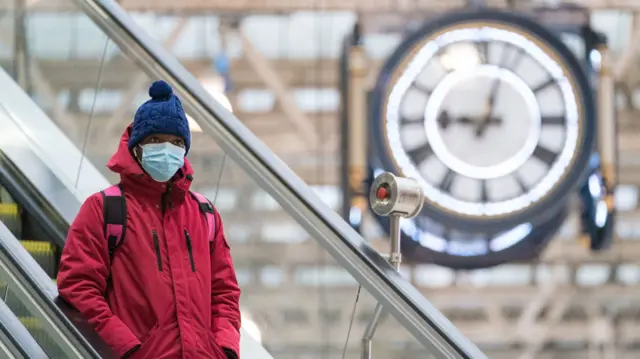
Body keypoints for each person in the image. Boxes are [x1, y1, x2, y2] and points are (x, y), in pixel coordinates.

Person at [57, 80, 241, 359]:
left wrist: (225, 349)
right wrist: (126, 347)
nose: (167, 150)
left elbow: (224, 292)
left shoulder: (205, 214)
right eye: (156, 141)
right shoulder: (104, 209)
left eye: (177, 142)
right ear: (136, 147)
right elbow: (77, 286)